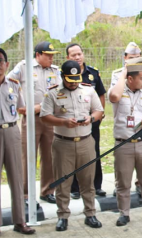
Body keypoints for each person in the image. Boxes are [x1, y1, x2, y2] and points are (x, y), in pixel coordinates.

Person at [40, 60, 104, 231]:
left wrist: (91, 118)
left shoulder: (88, 89)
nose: (73, 83)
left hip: (85, 142)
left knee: (87, 181)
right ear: (62, 76)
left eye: (76, 79)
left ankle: (90, 214)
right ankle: (63, 216)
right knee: (63, 181)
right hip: (63, 143)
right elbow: (44, 116)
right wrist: (63, 122)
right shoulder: (53, 93)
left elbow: (99, 111)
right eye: (70, 79)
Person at [108, 57, 142, 226]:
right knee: (123, 182)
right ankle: (124, 213)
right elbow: (114, 96)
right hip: (123, 143)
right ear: (130, 79)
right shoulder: (119, 89)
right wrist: (124, 72)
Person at [7, 41, 61, 204]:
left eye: (52, 56)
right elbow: (8, 83)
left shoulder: (55, 71)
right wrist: (18, 104)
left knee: (49, 155)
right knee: (28, 156)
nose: (51, 58)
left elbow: (59, 92)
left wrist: (40, 107)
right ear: (38, 55)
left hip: (49, 118)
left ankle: (47, 190)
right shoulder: (24, 67)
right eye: (48, 55)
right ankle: (25, 194)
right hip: (30, 120)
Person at [0, 48, 36, 235]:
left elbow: (22, 107)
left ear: (6, 64)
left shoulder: (13, 84)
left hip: (12, 131)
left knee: (16, 177)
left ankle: (20, 221)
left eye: (0, 61)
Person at [65, 43, 107, 199]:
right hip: (73, 122)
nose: (77, 57)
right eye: (73, 55)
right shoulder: (65, 74)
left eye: (79, 54)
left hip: (91, 121)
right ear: (68, 57)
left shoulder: (93, 73)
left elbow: (101, 95)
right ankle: (75, 188)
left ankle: (97, 186)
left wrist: (99, 116)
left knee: (94, 152)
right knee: (74, 154)